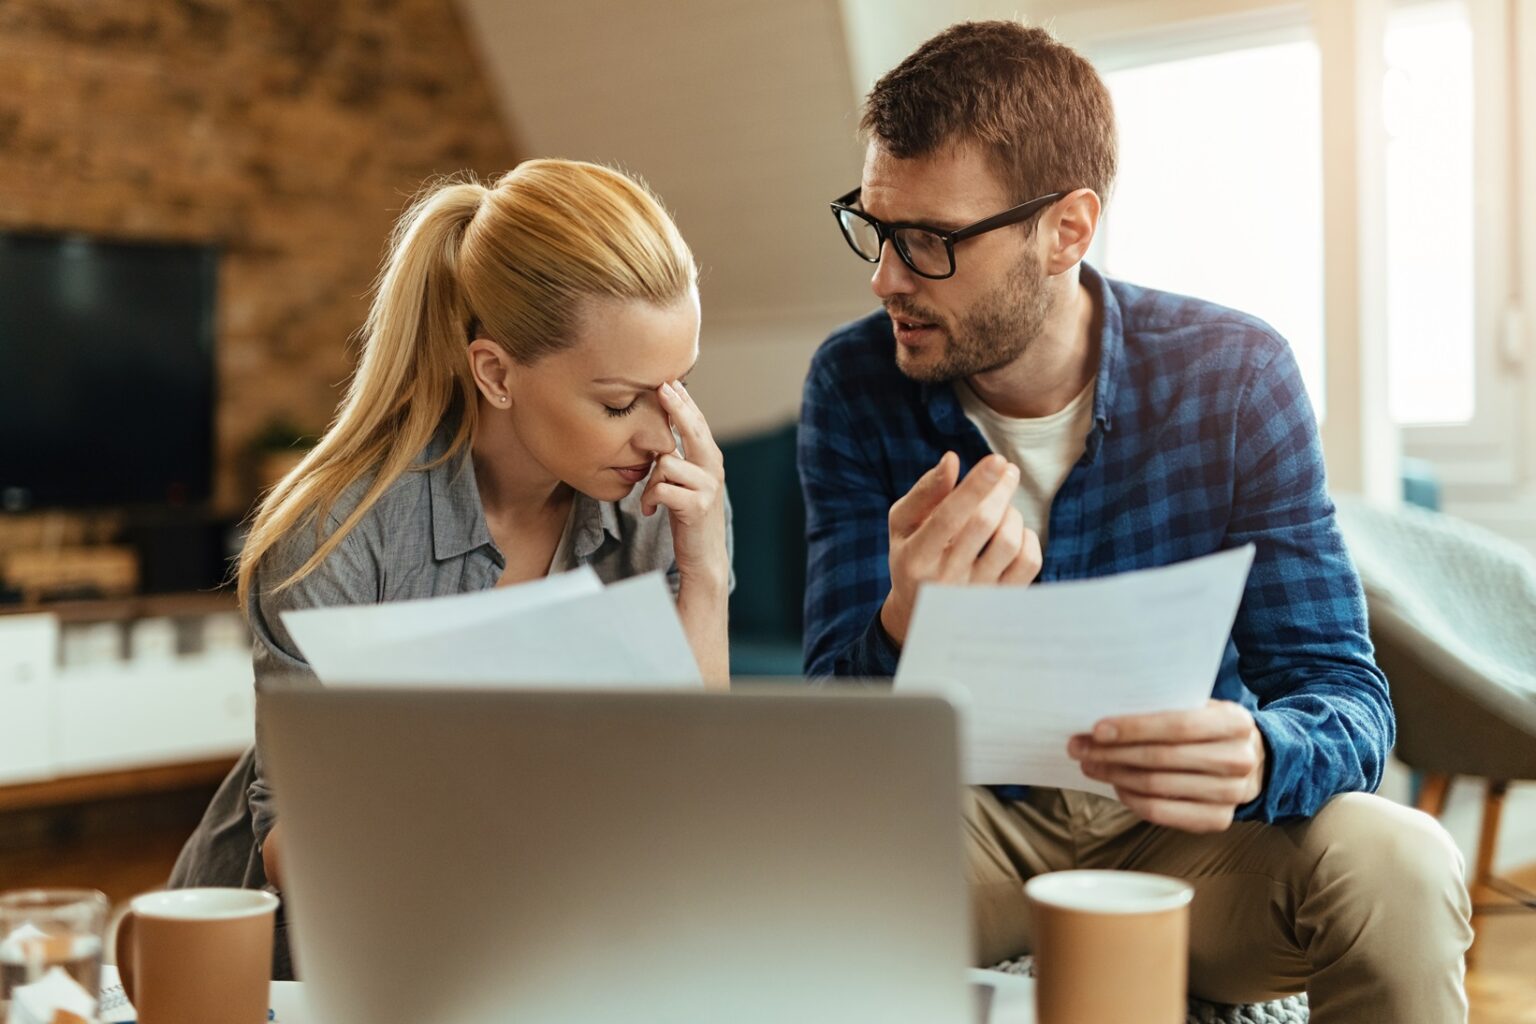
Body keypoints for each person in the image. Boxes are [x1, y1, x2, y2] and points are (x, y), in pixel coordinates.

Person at [799, 21, 1471, 1022]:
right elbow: (830, 736)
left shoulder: (1236, 376)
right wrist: (902, 626)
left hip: (1187, 840)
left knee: (1403, 860)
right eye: (875, 225)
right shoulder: (853, 383)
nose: (885, 277)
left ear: (1068, 228)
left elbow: (1347, 698)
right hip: (969, 832)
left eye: (930, 241)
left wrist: (1259, 752)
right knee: (765, 875)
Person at [171, 159, 733, 979]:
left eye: (677, 388)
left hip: (540, 940)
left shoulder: (662, 503)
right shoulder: (336, 534)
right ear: (496, 373)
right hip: (297, 962)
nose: (660, 434)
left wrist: (706, 575)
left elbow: (691, 791)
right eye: (620, 403)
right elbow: (299, 846)